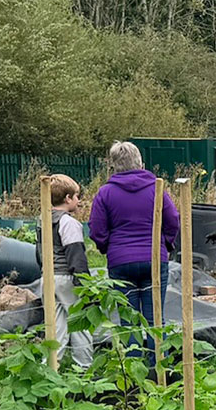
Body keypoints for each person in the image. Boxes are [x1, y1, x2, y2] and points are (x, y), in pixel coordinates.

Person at [87, 141, 180, 333]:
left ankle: (131, 360)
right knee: (155, 318)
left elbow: (96, 229)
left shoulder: (105, 192)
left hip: (121, 261)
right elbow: (172, 220)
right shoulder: (156, 188)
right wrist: (166, 245)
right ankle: (157, 362)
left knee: (127, 322)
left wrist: (108, 248)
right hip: (153, 258)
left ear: (113, 165)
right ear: (141, 163)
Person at [48, 175, 94, 368]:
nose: (79, 200)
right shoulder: (69, 223)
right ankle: (84, 367)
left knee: (57, 325)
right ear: (67, 198)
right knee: (80, 323)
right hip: (66, 277)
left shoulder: (44, 220)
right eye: (77, 196)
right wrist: (84, 284)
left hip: (49, 276)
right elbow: (76, 257)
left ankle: (51, 366)